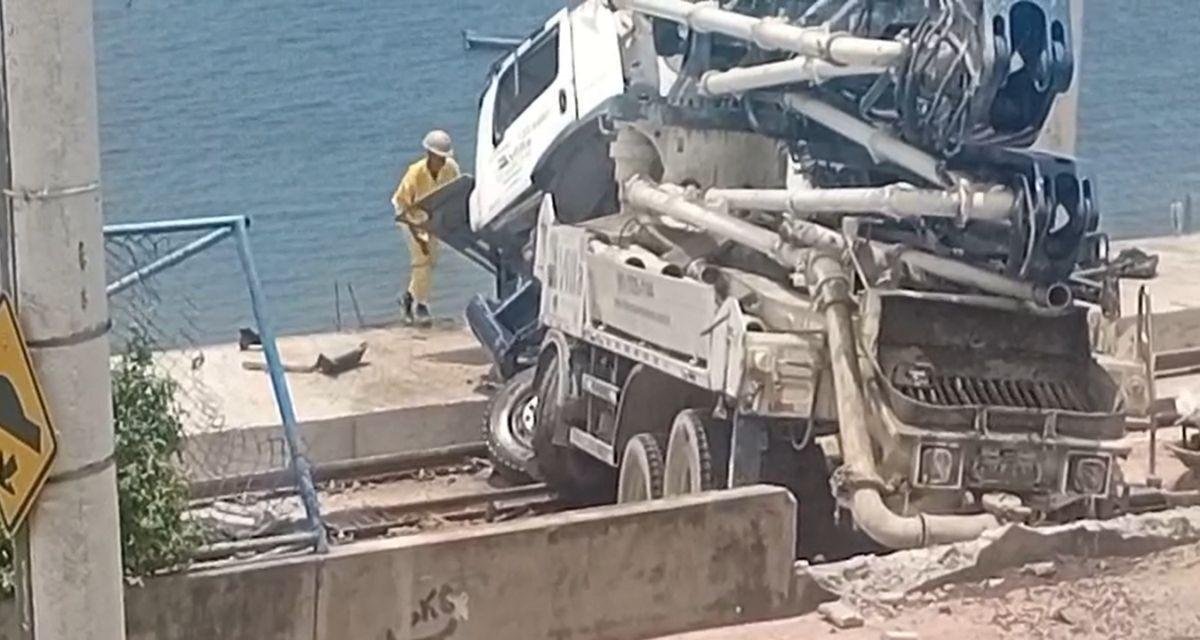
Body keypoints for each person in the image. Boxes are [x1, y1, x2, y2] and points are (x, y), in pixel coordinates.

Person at [391, 129, 459, 325]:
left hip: (432, 219)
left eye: (444, 157)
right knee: (421, 259)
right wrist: (418, 237)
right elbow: (403, 205)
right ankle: (421, 305)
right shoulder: (415, 173)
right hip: (409, 217)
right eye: (439, 157)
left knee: (431, 261)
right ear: (429, 154)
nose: (443, 161)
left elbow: (454, 194)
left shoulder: (451, 168)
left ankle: (408, 297)